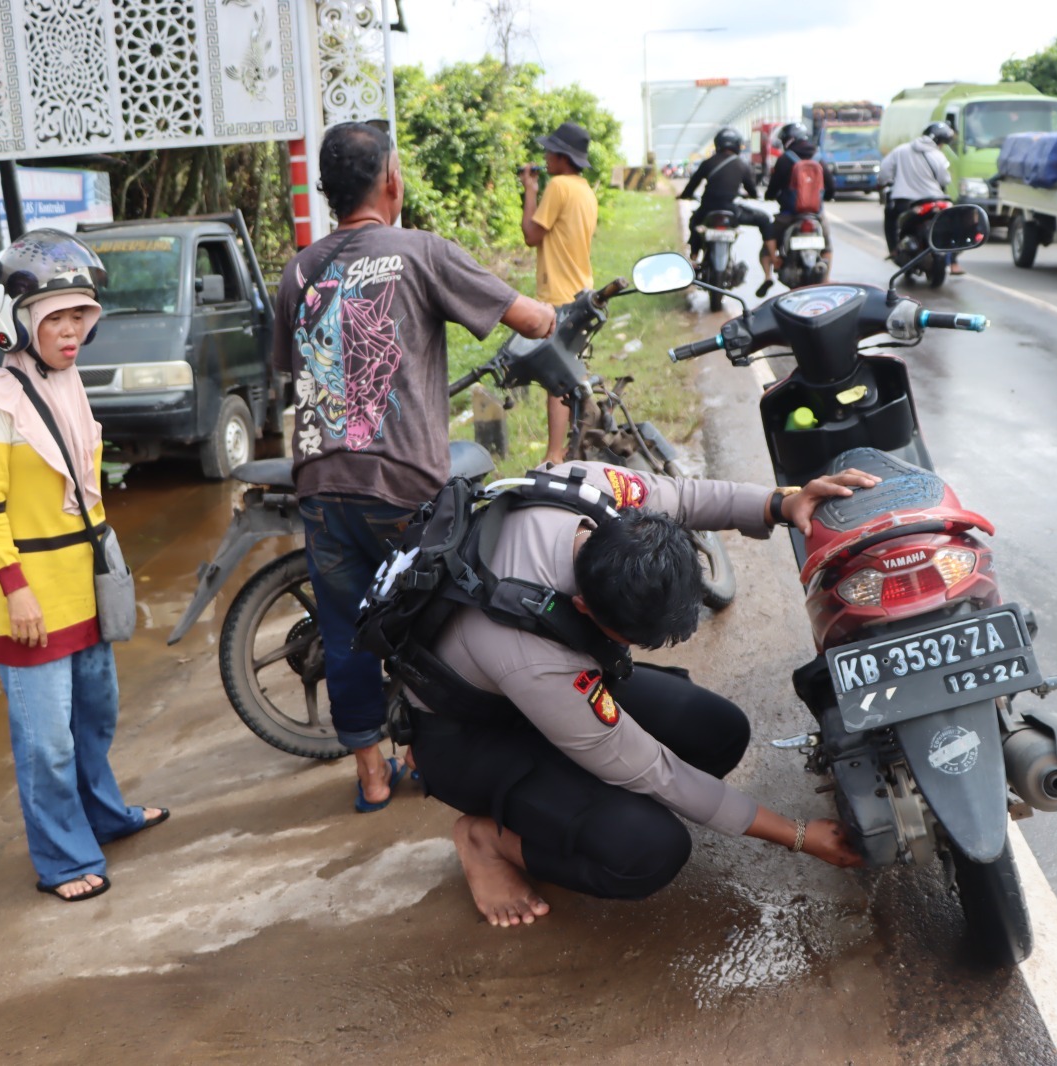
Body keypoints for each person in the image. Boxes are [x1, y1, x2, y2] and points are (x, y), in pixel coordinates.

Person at [408, 460, 876, 927]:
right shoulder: (536, 660)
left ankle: (574, 801)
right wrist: (797, 835)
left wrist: (780, 502)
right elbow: (655, 771)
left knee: (719, 732)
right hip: (470, 735)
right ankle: (486, 841)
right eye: (630, 637)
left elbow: (683, 497)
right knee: (649, 849)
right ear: (583, 607)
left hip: (524, 686)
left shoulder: (593, 493)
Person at [276, 121, 557, 814]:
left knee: (345, 633)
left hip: (319, 482)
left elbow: (293, 368)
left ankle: (372, 777)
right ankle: (433, 760)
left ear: (327, 192)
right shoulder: (422, 252)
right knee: (432, 623)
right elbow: (528, 319)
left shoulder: (299, 270)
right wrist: (558, 315)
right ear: (392, 182)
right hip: (401, 484)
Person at [0, 230, 167, 903]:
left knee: (94, 717)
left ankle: (103, 816)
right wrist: (15, 592)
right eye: (56, 317)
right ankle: (61, 858)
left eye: (81, 315)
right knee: (45, 741)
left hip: (87, 579)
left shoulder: (67, 380)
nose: (72, 330)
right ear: (16, 321)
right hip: (32, 595)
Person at [520, 121, 599, 467]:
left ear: (562, 157)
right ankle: (577, 443)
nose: (544, 156)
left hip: (559, 293)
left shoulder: (558, 187)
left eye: (549, 151)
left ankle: (555, 456)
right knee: (571, 372)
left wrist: (530, 189)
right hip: (582, 288)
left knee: (557, 379)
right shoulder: (584, 189)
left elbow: (531, 235)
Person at [678, 127, 776, 297]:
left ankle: (693, 259)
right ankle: (772, 263)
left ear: (718, 144)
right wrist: (748, 195)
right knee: (765, 219)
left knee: (695, 222)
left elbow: (691, 186)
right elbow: (752, 191)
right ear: (738, 145)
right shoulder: (742, 164)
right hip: (732, 211)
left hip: (708, 209)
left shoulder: (708, 163)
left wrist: (684, 195)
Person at [879, 122, 962, 274]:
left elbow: (884, 172)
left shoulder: (901, 150)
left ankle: (893, 250)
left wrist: (889, 182)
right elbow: (945, 180)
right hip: (934, 200)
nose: (943, 146)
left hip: (904, 202)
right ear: (938, 141)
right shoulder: (938, 155)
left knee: (890, 217)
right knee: (948, 227)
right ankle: (954, 261)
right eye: (943, 143)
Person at [764, 123, 836, 283]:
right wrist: (826, 197)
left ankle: (769, 273)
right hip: (815, 214)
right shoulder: (818, 157)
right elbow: (831, 185)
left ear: (788, 139)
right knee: (827, 245)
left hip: (789, 214)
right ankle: (827, 278)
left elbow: (773, 187)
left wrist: (770, 196)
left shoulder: (784, 159)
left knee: (769, 236)